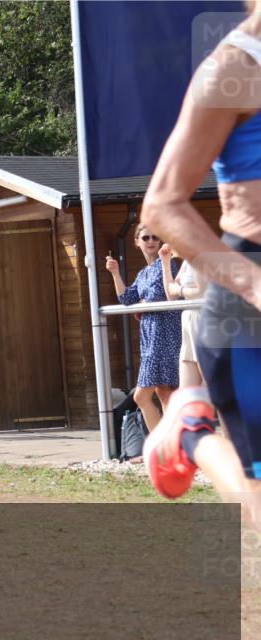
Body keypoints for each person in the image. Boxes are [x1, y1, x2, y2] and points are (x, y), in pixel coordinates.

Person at [139, 1, 261, 523]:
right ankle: (191, 435)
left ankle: (191, 430)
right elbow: (162, 205)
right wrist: (255, 285)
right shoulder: (232, 70)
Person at [104, 224, 182, 431]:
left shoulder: (166, 264)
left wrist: (142, 305)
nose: (151, 241)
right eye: (146, 238)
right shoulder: (143, 273)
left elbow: (160, 296)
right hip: (150, 336)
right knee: (164, 392)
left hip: (164, 334)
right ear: (137, 242)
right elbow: (127, 298)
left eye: (155, 237)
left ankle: (162, 442)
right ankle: (172, 441)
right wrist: (115, 272)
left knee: (142, 396)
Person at [160, 243, 208, 388]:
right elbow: (171, 296)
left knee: (213, 387)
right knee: (186, 392)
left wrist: (179, 290)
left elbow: (203, 291)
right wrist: (165, 263)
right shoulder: (187, 260)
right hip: (188, 323)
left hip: (203, 322)